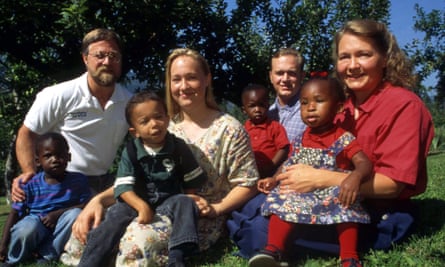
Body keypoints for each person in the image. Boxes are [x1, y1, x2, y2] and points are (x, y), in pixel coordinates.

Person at [232, 18, 435, 261]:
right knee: (257, 204)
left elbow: (392, 185)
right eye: (344, 57)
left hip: (374, 211)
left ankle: (275, 245)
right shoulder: (342, 107)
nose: (352, 65)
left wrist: (321, 178)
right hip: (325, 199)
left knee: (257, 226)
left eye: (363, 55)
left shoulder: (403, 106)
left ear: (385, 58)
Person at [61, 48, 259, 266]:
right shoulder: (163, 124)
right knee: (95, 229)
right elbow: (136, 177)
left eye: (191, 78)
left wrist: (216, 209)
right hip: (148, 201)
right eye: (176, 80)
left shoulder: (229, 129)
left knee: (137, 239)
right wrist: (97, 200)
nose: (183, 86)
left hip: (194, 216)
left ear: (207, 79)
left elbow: (247, 183)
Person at [248, 76, 373, 267]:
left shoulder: (342, 138)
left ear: (339, 107)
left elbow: (364, 163)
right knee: (281, 200)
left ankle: (349, 256)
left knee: (346, 203)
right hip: (301, 191)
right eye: (304, 103)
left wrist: (354, 177)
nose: (310, 108)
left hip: (330, 190)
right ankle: (274, 250)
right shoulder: (300, 138)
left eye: (319, 101)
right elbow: (289, 162)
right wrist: (274, 179)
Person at [77, 91, 207, 267]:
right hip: (137, 199)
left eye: (158, 117)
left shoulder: (178, 147)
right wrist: (141, 206)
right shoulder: (131, 151)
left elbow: (191, 179)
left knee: (186, 202)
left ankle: (178, 256)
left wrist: (190, 197)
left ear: (168, 119)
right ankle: (91, 260)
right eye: (144, 121)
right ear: (134, 131)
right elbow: (123, 189)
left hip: (168, 200)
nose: (154, 124)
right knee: (115, 214)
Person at [13, 28, 132, 198]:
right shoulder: (59, 95)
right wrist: (30, 174)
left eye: (114, 56)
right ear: (85, 59)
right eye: (100, 55)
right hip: (61, 182)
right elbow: (27, 133)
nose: (107, 62)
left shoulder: (129, 102)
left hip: (104, 182)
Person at [0, 132, 92, 266]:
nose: (55, 159)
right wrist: (3, 244)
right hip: (37, 223)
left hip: (61, 226)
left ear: (69, 157)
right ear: (38, 161)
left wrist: (57, 214)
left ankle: (47, 254)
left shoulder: (78, 180)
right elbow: (14, 213)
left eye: (60, 155)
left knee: (75, 215)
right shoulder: (29, 184)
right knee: (28, 227)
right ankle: (13, 258)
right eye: (48, 156)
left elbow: (86, 205)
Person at [241, 83, 290, 178]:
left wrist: (271, 165)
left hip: (271, 173)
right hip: (249, 173)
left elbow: (283, 148)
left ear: (268, 106)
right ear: (244, 110)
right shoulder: (243, 129)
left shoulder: (275, 127)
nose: (257, 109)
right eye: (252, 106)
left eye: (261, 105)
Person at [267, 48, 307, 143]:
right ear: (271, 77)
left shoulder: (311, 113)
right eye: (279, 73)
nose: (285, 79)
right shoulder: (266, 114)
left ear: (302, 76)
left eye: (292, 73)